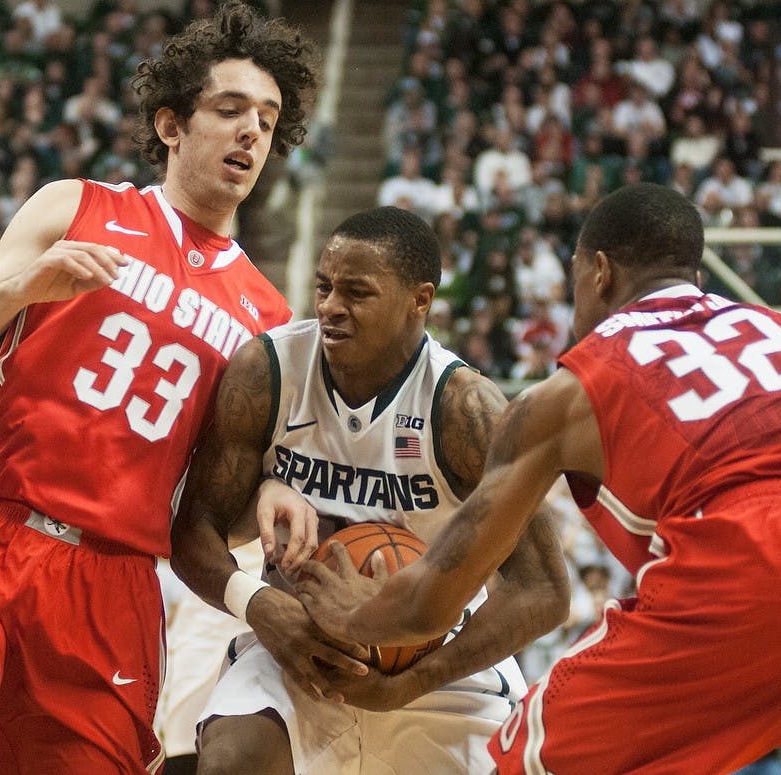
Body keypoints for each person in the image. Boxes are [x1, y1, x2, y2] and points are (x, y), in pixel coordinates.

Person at [0, 3, 320, 773]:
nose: (251, 132)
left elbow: (213, 509)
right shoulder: (74, 207)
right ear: (171, 125)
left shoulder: (269, 319)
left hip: (111, 588)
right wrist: (21, 287)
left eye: (268, 121)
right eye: (230, 109)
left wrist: (275, 487)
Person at [298, 183, 781, 774]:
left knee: (527, 762)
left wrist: (356, 613)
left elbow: (433, 601)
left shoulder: (568, 391)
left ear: (598, 272)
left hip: (756, 566)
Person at [169, 206, 570, 775]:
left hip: (436, 664)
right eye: (324, 287)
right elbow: (194, 529)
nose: (331, 306)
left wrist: (411, 680)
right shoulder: (269, 370)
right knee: (232, 763)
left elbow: (543, 591)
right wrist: (259, 606)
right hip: (295, 642)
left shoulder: (465, 409)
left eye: (357, 292)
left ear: (420, 300)